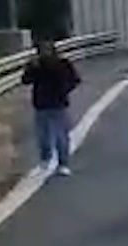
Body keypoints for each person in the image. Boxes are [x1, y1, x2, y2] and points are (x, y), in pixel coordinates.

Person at [19, 37, 81, 177]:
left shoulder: (62, 64)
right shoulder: (37, 65)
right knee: (44, 136)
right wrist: (31, 68)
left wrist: (65, 90)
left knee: (60, 136)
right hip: (42, 105)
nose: (45, 53)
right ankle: (46, 160)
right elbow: (25, 80)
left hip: (58, 104)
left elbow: (75, 80)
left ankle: (62, 163)